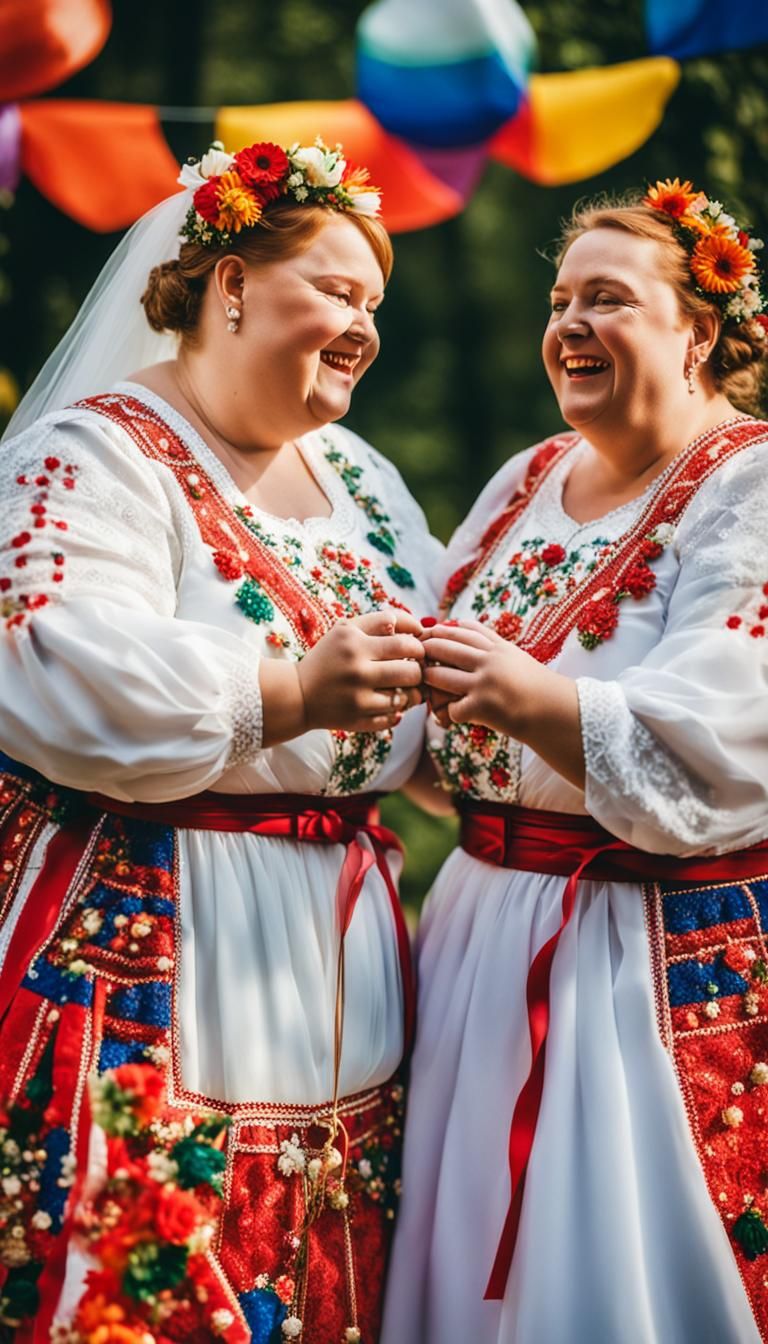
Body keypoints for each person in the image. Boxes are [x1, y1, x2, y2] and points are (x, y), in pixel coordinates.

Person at [0, 138, 440, 1344]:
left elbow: (452, 661)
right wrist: (290, 691)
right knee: (146, 1259)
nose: (365, 326)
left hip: (341, 951)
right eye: (340, 291)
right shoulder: (93, 453)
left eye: (376, 305)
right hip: (156, 920)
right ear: (231, 282)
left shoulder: (361, 477)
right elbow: (50, 660)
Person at [382, 179, 768, 1344]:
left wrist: (527, 697)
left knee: (604, 1263)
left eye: (609, 299)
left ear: (698, 329)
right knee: (461, 1259)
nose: (570, 326)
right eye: (560, 301)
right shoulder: (521, 486)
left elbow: (726, 733)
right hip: (473, 937)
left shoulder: (746, 484)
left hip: (629, 955)